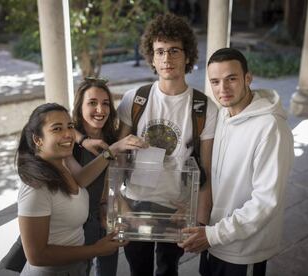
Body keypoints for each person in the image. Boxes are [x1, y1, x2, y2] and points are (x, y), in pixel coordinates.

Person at [116, 13, 218, 276]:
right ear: (151, 56)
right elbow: (117, 160)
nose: (166, 58)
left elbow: (207, 169)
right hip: (137, 203)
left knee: (168, 269)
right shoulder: (134, 99)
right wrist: (121, 208)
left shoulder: (204, 107)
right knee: (138, 270)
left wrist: (200, 219)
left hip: (178, 208)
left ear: (188, 56)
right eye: (159, 51)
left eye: (174, 50)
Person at [178, 48, 294, 276]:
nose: (223, 89)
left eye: (231, 78)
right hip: (215, 241)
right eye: (215, 81)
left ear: (247, 78)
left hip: (243, 250)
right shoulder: (222, 116)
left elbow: (265, 202)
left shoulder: (271, 128)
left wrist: (213, 235)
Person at [17, 103, 147, 275]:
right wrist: (96, 250)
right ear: (37, 139)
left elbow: (84, 178)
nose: (68, 134)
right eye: (56, 129)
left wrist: (113, 149)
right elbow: (37, 256)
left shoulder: (62, 166)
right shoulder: (36, 188)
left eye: (70, 126)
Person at [72, 78, 119, 276]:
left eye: (105, 103)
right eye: (92, 103)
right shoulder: (68, 141)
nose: (100, 110)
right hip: (76, 224)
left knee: (108, 271)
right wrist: (82, 139)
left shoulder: (113, 138)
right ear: (79, 106)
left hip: (106, 217)